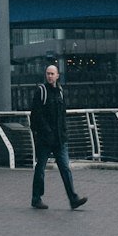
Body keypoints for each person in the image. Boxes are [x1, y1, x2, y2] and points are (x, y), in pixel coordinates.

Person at [28, 62, 87, 210]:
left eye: (52, 74)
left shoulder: (60, 92)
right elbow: (36, 115)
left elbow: (62, 115)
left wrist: (63, 133)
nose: (49, 76)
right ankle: (36, 198)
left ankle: (73, 199)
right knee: (40, 169)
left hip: (59, 139)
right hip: (44, 139)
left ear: (57, 76)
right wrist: (45, 132)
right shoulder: (41, 92)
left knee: (65, 168)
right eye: (48, 73)